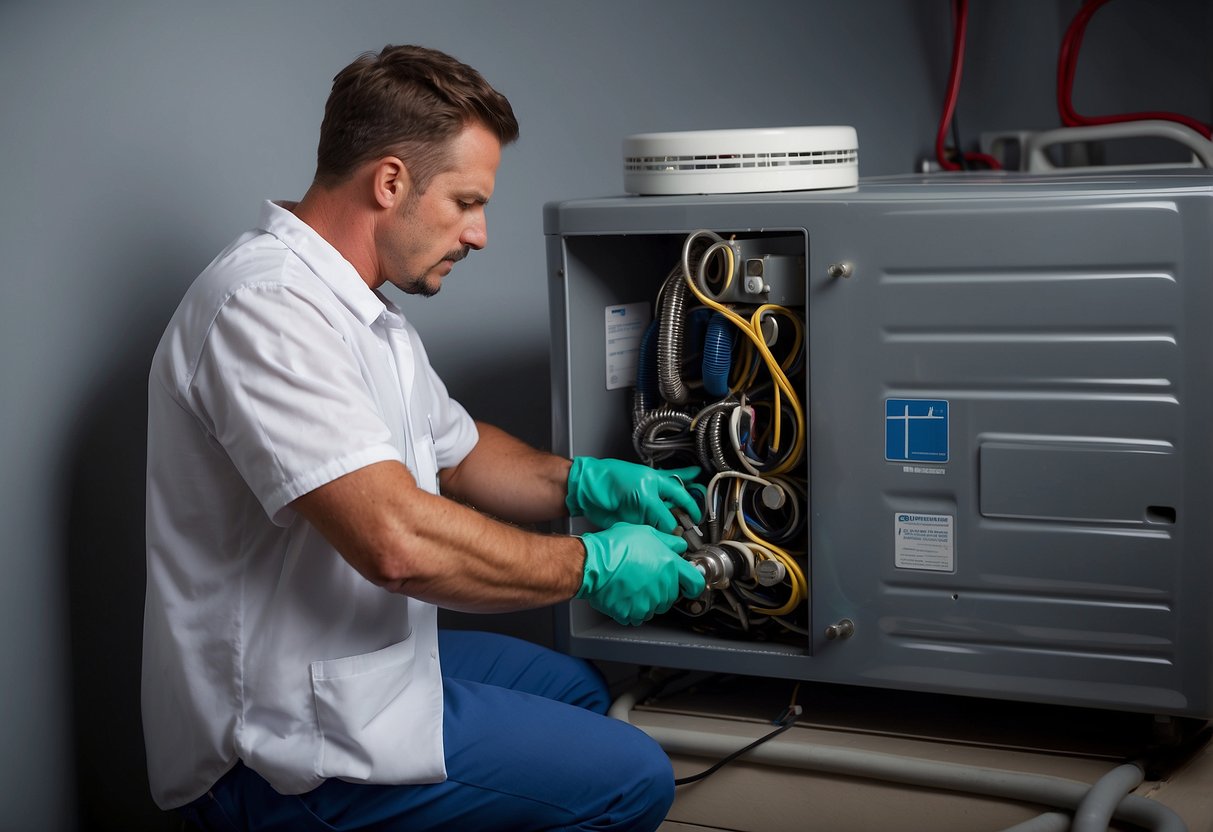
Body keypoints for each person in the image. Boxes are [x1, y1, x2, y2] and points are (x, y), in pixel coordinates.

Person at [142, 44, 707, 832]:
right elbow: (396, 542)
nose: (479, 234)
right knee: (632, 779)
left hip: (347, 668)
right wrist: (590, 562)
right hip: (275, 747)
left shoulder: (363, 312)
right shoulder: (263, 309)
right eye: (466, 202)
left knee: (580, 690)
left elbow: (462, 452)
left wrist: (590, 482)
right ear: (390, 182)